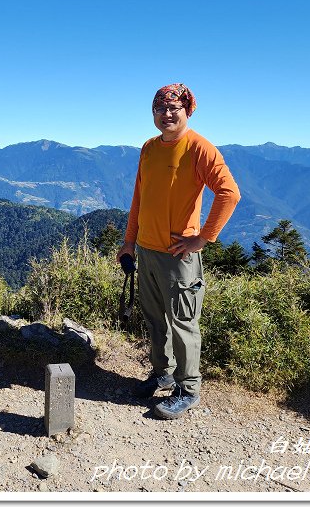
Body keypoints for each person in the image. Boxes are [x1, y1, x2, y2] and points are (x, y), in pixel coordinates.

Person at [117, 83, 240, 420]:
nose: (167, 114)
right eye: (160, 109)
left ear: (187, 111)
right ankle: (162, 373)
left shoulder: (200, 149)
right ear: (153, 113)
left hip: (178, 256)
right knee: (156, 320)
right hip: (146, 250)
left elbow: (229, 193)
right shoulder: (149, 148)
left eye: (174, 109)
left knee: (184, 324)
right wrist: (129, 241)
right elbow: (138, 198)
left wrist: (203, 238)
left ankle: (188, 389)